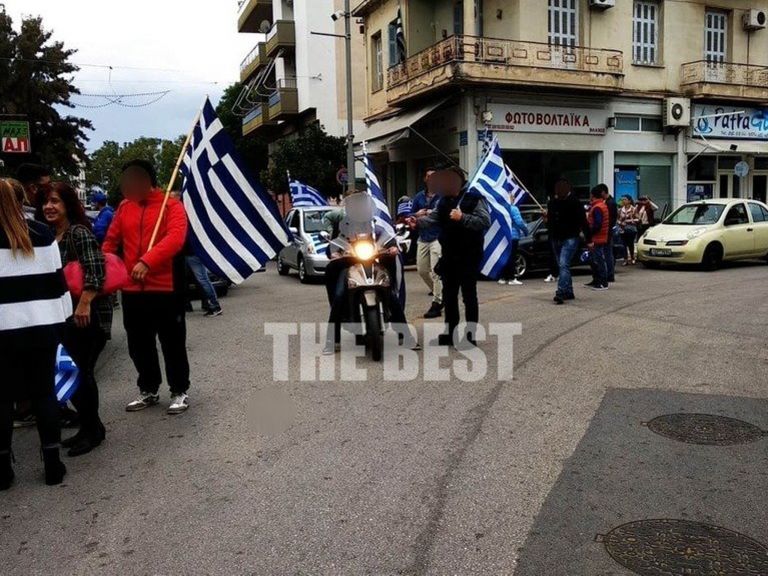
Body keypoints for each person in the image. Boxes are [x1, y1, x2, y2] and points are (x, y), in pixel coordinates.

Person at [102, 159, 191, 414]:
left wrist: (147, 261)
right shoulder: (124, 207)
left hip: (165, 288)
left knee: (172, 342)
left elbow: (175, 238)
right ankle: (149, 389)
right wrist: (105, 266)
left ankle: (179, 390)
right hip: (132, 289)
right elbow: (111, 240)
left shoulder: (171, 206)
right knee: (138, 344)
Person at [0, 179, 69, 488]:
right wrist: (61, 322)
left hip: (2, 331)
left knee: (2, 399)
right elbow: (57, 282)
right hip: (41, 327)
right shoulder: (43, 234)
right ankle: (52, 463)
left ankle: (3, 469)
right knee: (44, 394)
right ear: (22, 201)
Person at [37, 183, 113, 457]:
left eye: (55, 201)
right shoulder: (48, 236)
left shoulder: (78, 232)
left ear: (68, 204)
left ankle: (92, 431)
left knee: (82, 374)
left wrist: (83, 304)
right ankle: (91, 427)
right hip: (62, 317)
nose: (49, 206)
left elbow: (96, 270)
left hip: (85, 317)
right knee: (71, 373)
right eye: (45, 201)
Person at [413, 166, 491, 347]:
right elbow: (433, 219)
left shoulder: (474, 198)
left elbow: (484, 221)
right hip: (449, 254)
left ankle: (470, 336)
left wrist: (462, 217)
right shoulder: (444, 200)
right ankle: (450, 333)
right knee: (449, 295)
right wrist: (415, 222)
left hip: (469, 254)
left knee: (469, 296)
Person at [546, 179, 591, 305]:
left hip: (570, 237)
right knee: (563, 265)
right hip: (556, 237)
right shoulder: (553, 203)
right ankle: (569, 291)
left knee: (563, 264)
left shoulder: (575, 202)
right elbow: (551, 221)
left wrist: (589, 239)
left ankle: (561, 291)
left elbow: (583, 222)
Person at [411, 169, 443, 319]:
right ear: (425, 179)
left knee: (436, 271)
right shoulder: (419, 196)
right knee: (422, 270)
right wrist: (416, 215)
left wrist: (431, 213)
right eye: (429, 176)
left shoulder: (442, 196)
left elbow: (444, 214)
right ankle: (439, 292)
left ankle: (437, 301)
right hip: (423, 237)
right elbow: (410, 215)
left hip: (437, 237)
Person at [185, 233, 222, 317]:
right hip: (193, 252)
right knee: (203, 280)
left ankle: (215, 306)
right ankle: (213, 305)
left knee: (203, 280)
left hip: (191, 253)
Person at [497, 201, 529, 286]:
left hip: (504, 236)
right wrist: (526, 231)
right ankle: (511, 278)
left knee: (505, 257)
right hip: (513, 235)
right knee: (512, 257)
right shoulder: (514, 209)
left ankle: (503, 277)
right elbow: (519, 222)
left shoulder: (501, 208)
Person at [585, 186, 610, 291]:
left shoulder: (597, 207)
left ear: (592, 195)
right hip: (600, 236)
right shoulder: (601, 205)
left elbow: (597, 224)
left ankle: (603, 282)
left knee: (598, 260)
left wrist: (589, 233)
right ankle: (596, 280)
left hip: (597, 238)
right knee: (594, 260)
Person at [598, 184, 617, 283]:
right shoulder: (607, 202)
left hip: (607, 231)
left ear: (603, 192)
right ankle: (609, 273)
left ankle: (610, 274)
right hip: (607, 230)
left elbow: (611, 219)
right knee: (607, 252)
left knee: (607, 252)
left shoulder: (610, 203)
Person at [618, 195, 639, 265]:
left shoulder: (633, 209)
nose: (623, 201)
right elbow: (617, 219)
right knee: (623, 244)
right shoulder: (620, 210)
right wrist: (620, 222)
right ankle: (625, 259)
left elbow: (638, 219)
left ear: (629, 201)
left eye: (625, 199)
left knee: (630, 244)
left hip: (631, 229)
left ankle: (632, 258)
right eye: (622, 199)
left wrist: (630, 220)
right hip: (622, 229)